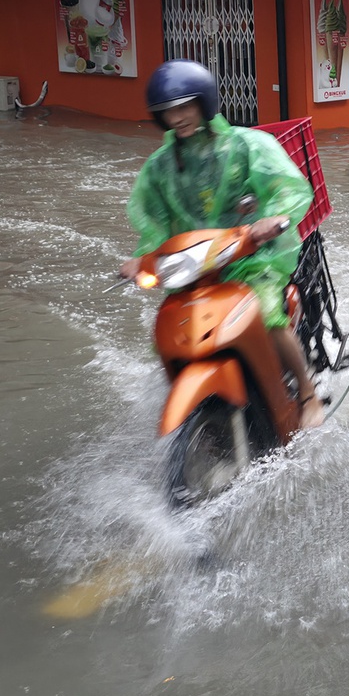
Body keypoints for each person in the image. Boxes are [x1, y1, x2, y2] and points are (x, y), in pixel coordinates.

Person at [118, 61, 325, 431]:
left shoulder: (247, 145)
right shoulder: (160, 167)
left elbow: (287, 187)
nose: (177, 117)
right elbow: (153, 220)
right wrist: (140, 258)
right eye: (168, 111)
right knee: (173, 327)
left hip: (251, 256)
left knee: (267, 314)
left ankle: (307, 393)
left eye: (185, 106)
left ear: (203, 103)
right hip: (197, 265)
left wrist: (270, 220)